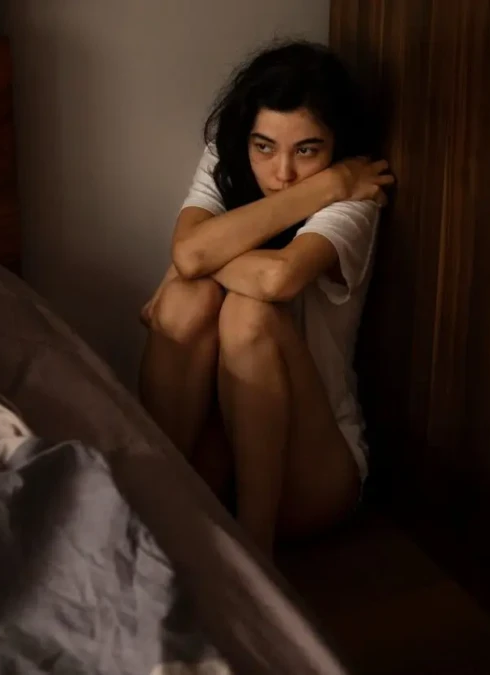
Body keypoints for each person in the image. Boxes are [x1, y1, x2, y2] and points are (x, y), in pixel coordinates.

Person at [138, 40, 392, 554]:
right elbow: (190, 255)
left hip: (314, 469)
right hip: (218, 451)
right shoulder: (235, 161)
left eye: (307, 150)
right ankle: (154, 509)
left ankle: (257, 555)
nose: (282, 173)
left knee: (248, 312)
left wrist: (190, 263)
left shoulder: (357, 197)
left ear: (337, 146)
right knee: (188, 301)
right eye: (264, 147)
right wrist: (323, 185)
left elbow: (276, 279)